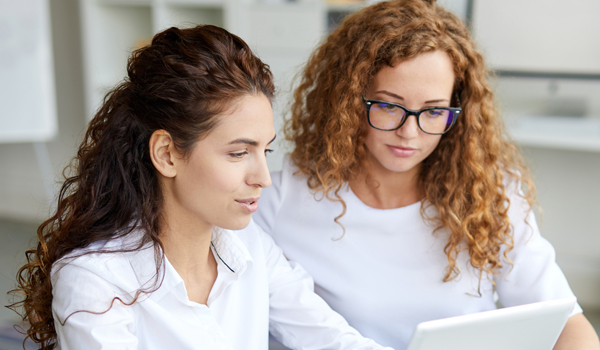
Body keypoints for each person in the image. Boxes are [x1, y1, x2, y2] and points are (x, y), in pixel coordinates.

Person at [8, 25, 394, 350]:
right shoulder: (95, 280)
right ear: (167, 154)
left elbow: (335, 339)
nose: (262, 177)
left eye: (265, 150)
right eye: (239, 153)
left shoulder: (250, 247)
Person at [254, 1, 600, 349]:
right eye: (389, 106)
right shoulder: (282, 199)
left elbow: (568, 325)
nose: (410, 132)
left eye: (433, 111)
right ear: (348, 101)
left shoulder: (490, 195)